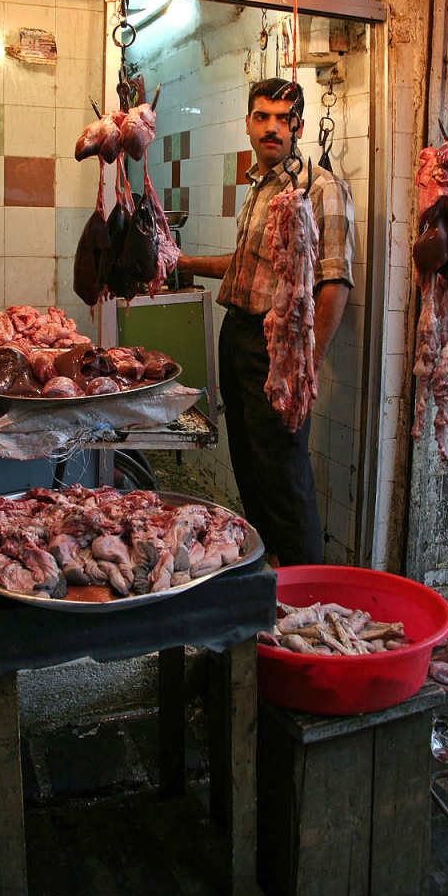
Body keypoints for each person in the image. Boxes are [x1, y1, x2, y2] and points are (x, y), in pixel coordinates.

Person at [179, 78, 355, 566]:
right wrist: (184, 262)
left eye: (283, 118)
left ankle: (306, 598)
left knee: (282, 477)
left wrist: (306, 367)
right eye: (262, 117)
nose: (271, 128)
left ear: (298, 125)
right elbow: (247, 263)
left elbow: (335, 283)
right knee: (250, 471)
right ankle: (272, 582)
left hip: (277, 351)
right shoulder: (260, 186)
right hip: (237, 338)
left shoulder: (319, 189)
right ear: (249, 124)